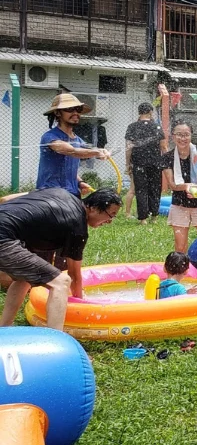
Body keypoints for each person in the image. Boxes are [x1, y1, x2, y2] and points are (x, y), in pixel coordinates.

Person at [0, 188, 121, 331]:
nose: (110, 222)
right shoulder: (77, 227)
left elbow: (6, 199)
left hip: (6, 231)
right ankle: (55, 343)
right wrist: (81, 306)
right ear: (93, 208)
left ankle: (4, 329)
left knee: (23, 278)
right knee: (61, 282)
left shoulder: (61, 193)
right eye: (110, 215)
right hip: (4, 238)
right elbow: (74, 276)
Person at [37, 93, 111, 197]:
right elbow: (72, 151)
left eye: (78, 109)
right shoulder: (50, 137)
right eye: (70, 109)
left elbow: (68, 168)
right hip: (51, 194)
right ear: (58, 113)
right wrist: (97, 152)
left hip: (72, 193)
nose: (75, 113)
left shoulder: (78, 140)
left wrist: (80, 183)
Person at [161, 121, 197, 254]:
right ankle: (181, 271)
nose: (183, 138)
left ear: (191, 136)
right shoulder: (168, 157)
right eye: (179, 135)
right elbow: (173, 185)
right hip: (180, 204)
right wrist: (187, 186)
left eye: (186, 134)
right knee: (180, 247)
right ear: (173, 137)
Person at [125, 102, 165, 223]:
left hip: (139, 162)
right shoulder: (156, 126)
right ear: (150, 112)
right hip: (155, 162)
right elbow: (163, 146)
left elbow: (128, 147)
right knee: (155, 188)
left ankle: (143, 219)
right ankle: (154, 216)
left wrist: (128, 163)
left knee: (141, 190)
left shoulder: (132, 127)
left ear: (139, 112)